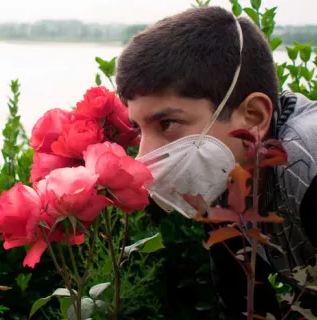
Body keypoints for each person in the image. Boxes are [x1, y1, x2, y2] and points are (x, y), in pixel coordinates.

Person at [115, 5, 317, 319]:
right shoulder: (226, 177)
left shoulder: (307, 167)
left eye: (167, 123)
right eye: (139, 129)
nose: (143, 160)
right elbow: (242, 306)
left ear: (254, 117)